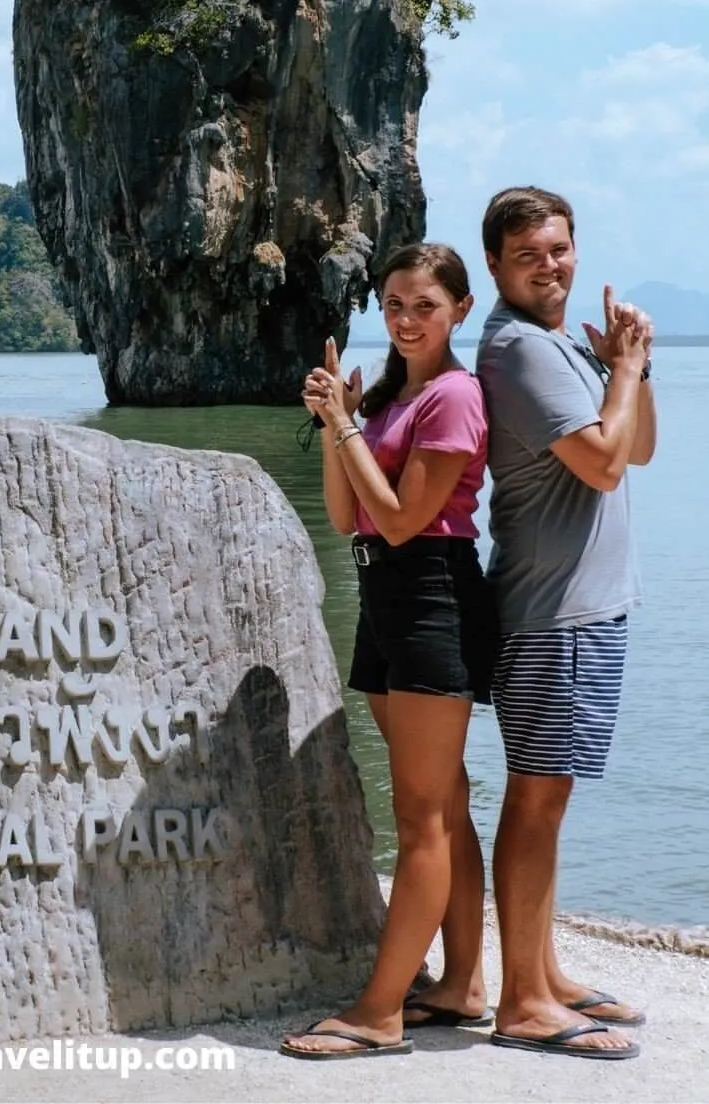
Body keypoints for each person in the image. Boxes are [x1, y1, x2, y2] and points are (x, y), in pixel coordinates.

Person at [280, 242, 498, 1060]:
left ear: (460, 311)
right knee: (442, 804)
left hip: (433, 594)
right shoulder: (391, 396)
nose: (407, 321)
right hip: (383, 594)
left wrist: (344, 424)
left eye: (426, 307)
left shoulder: (452, 396)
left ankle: (379, 1013)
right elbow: (347, 517)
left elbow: (406, 519)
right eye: (395, 306)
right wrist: (339, 423)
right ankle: (462, 982)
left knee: (420, 818)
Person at [477, 187, 654, 1061]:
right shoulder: (521, 352)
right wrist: (618, 372)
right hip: (557, 611)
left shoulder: (554, 347)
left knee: (548, 797)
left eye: (559, 248)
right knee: (538, 799)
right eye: (528, 254)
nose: (550, 265)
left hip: (582, 605)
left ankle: (542, 973)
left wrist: (634, 368)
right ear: (498, 268)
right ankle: (522, 1002)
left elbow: (640, 445)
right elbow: (603, 465)